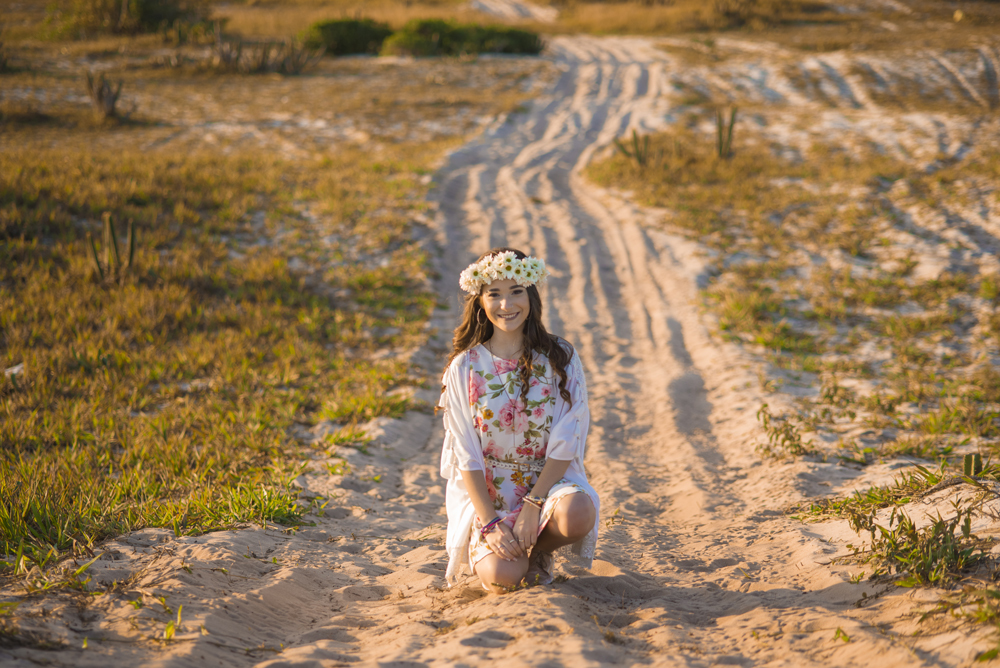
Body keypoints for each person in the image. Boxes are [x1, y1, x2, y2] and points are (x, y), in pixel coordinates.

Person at [437, 247, 600, 592]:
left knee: (579, 513)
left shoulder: (560, 357)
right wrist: (490, 521)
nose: (506, 305)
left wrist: (533, 503)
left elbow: (567, 437)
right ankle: (508, 549)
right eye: (494, 294)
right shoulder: (464, 367)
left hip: (547, 485)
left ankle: (540, 550)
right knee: (504, 578)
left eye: (516, 292)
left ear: (532, 295)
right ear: (480, 300)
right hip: (491, 491)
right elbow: (464, 451)